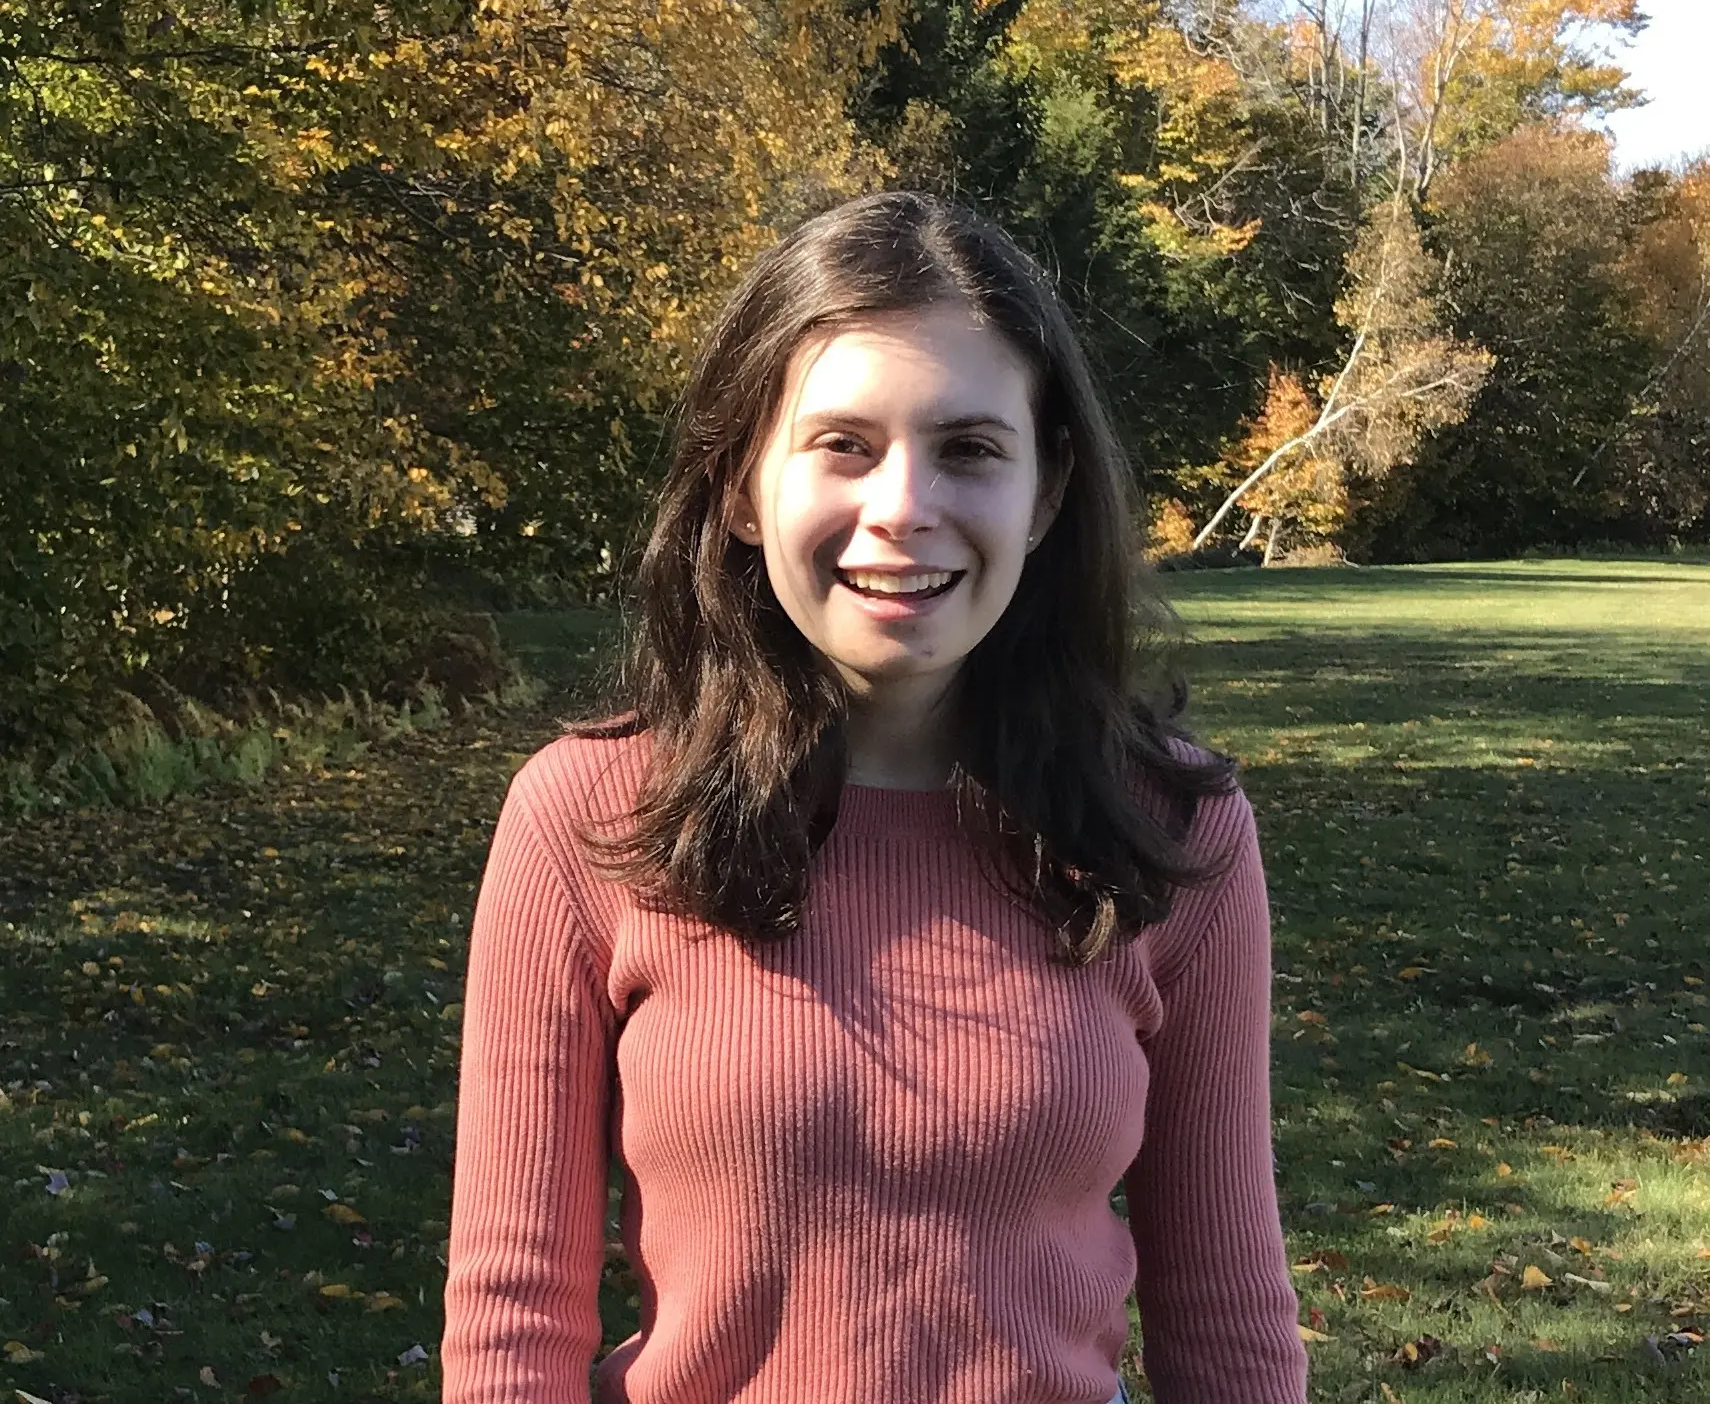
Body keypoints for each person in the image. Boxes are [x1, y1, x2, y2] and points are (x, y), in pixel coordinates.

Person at [441, 191, 1308, 1404]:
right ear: (742, 485)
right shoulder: (586, 815)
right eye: (842, 443)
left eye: (969, 448)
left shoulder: (1172, 831)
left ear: (1046, 493)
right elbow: (513, 1320)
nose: (905, 507)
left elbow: (1228, 1319)